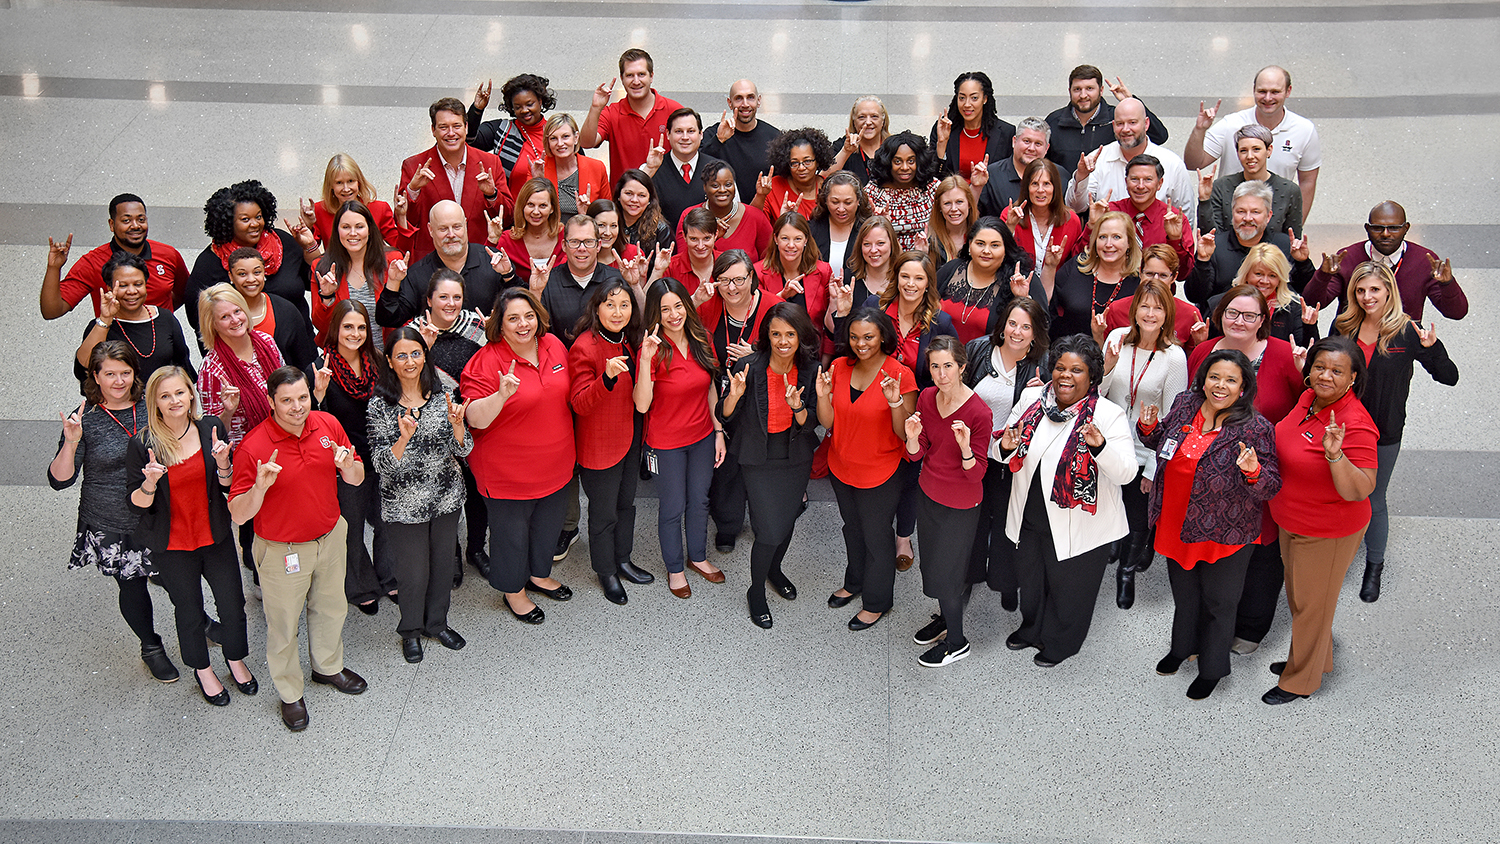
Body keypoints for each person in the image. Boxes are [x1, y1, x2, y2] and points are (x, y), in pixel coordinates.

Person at [228, 366, 369, 732]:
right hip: (282, 550)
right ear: (272, 402)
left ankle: (327, 667)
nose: (296, 407)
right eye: (286, 400)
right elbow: (239, 514)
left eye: (302, 397)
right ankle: (290, 693)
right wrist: (259, 488)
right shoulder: (254, 448)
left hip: (330, 536)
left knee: (331, 607)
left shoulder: (327, 425)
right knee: (283, 625)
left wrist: (348, 466)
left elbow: (357, 477)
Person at [1137, 349, 1281, 700]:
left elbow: (1271, 485)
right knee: (1185, 596)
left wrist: (1253, 472)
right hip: (1176, 522)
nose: (1220, 386)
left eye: (1231, 379)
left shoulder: (1256, 428)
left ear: (1244, 386)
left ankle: (1212, 668)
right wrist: (1148, 428)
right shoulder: (1186, 404)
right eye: (1215, 377)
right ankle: (1182, 647)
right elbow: (1163, 445)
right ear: (1203, 378)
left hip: (1225, 532)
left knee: (1220, 603)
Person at [991, 334, 1135, 667]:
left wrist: (1100, 448)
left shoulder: (1107, 415)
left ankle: (1062, 642)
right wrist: (1006, 446)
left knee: (1071, 591)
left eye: (1077, 370)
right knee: (1031, 579)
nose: (1065, 376)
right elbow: (999, 449)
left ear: (1092, 377)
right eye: (1059, 367)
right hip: (1029, 515)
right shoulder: (1032, 400)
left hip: (1081, 526)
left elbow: (1126, 472)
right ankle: (1031, 629)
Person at [1184, 285, 1307, 656]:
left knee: (1262, 551)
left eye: (1249, 315)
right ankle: (1210, 622)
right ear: (1220, 315)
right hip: (1213, 475)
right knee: (1218, 550)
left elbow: (1305, 404)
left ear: (1263, 322)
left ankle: (1252, 627)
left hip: (1263, 471)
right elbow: (1191, 403)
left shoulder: (1284, 355)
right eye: (1232, 313)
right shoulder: (1206, 351)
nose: (1239, 321)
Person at [1329, 262, 1458, 602]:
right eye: (1360, 290)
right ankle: (1337, 554)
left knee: (1374, 498)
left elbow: (1449, 376)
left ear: (1389, 290)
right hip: (1342, 427)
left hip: (1384, 430)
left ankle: (1374, 566)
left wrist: (1433, 349)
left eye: (1374, 289)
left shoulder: (1408, 331)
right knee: (1336, 490)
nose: (1367, 297)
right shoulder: (1343, 325)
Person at [49, 342, 177, 684]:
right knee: (132, 584)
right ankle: (151, 646)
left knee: (177, 575)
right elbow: (60, 480)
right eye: (109, 374)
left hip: (158, 513)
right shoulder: (85, 420)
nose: (118, 381)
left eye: (125, 372)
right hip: (112, 520)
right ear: (95, 377)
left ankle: (201, 622)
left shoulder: (154, 407)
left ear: (135, 373)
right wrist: (72, 440)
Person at [126, 368, 255, 706]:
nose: (174, 401)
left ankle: (235, 658)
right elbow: (135, 504)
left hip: (215, 536)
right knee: (190, 611)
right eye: (165, 395)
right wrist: (150, 483)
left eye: (179, 393)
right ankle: (202, 670)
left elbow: (227, 485)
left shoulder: (211, 427)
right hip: (173, 545)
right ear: (154, 401)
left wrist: (224, 463)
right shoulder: (143, 445)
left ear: (190, 394)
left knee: (232, 604)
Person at [1263, 337, 1379, 704]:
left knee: (1311, 605)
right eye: (1319, 367)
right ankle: (1317, 658)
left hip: (1328, 529)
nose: (1325, 376)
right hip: (1292, 519)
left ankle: (1301, 681)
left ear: (1353, 377)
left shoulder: (1356, 424)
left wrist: (1335, 456)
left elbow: (1360, 488)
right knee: (1306, 599)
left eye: (1337, 371)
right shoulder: (1308, 399)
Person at [461, 288, 575, 624]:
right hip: (507, 473)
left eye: (528, 316)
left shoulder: (554, 345)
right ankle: (514, 591)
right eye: (513, 318)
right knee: (511, 536)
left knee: (546, 528)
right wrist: (500, 395)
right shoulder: (486, 360)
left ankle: (539, 575)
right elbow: (474, 418)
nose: (523, 324)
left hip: (556, 464)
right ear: (500, 324)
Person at [367, 328, 472, 663]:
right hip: (404, 506)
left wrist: (458, 428)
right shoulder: (379, 406)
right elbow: (381, 465)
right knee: (413, 574)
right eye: (401, 355)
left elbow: (464, 449)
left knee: (442, 567)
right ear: (390, 361)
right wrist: (402, 439)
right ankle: (411, 630)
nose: (409, 361)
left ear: (424, 356)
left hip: (446, 499)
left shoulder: (444, 396)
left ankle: (437, 624)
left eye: (415, 353)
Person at [719, 302, 821, 628]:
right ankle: (756, 592)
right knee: (768, 529)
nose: (782, 340)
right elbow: (726, 414)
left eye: (790, 333)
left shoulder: (810, 369)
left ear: (800, 335)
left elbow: (812, 422)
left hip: (794, 456)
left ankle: (774, 571)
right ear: (766, 334)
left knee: (787, 520)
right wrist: (734, 394)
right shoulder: (749, 365)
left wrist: (798, 408)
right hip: (758, 458)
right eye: (775, 333)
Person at [816, 307, 917, 630]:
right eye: (855, 337)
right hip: (842, 465)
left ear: (883, 338)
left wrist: (894, 402)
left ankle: (877, 601)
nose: (861, 344)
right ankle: (855, 580)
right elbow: (829, 422)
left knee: (876, 537)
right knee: (852, 528)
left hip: (881, 471)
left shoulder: (900, 374)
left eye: (869, 337)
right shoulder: (839, 367)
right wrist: (822, 397)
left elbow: (905, 434)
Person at [1098, 278, 1189, 609]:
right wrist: (1106, 368)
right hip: (1109, 443)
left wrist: (1153, 467)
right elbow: (1097, 395)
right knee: (1109, 503)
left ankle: (1127, 571)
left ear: (1167, 314)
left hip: (1144, 449)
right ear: (1135, 310)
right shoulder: (1116, 339)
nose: (1150, 313)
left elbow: (1173, 418)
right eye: (1144, 306)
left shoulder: (1174, 358)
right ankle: (1111, 543)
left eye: (1158, 307)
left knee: (1137, 517)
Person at [904, 336, 992, 667]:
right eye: (935, 366)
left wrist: (966, 448)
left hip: (960, 504)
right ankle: (946, 618)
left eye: (948, 367)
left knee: (947, 575)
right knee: (933, 567)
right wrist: (912, 439)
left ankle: (957, 642)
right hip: (929, 495)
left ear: (962, 368)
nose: (941, 374)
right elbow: (918, 453)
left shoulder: (978, 413)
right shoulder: (927, 398)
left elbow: (976, 474)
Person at [635, 279, 727, 598]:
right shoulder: (651, 348)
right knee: (673, 506)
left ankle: (698, 557)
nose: (674, 315)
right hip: (665, 443)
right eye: (665, 309)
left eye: (678, 306)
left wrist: (718, 431)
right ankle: (675, 568)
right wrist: (646, 361)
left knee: (699, 501)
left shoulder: (701, 337)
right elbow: (642, 404)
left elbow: (711, 387)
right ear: (655, 314)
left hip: (702, 435)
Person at [569, 279, 655, 604]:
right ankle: (605, 570)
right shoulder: (584, 347)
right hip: (600, 445)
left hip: (629, 439)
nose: (617, 312)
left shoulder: (629, 341)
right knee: (603, 514)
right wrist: (605, 378)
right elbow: (578, 403)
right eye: (610, 304)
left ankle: (623, 559)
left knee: (626, 506)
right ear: (596, 307)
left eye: (624, 305)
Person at [962, 297, 1049, 616]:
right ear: (1002, 325)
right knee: (973, 522)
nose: (1017, 331)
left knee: (1009, 524)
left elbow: (1054, 413)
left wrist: (1041, 397)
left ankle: (1006, 582)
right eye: (1013, 323)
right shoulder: (978, 350)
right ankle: (968, 577)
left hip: (1013, 460)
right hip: (974, 456)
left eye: (1026, 327)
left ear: (1036, 334)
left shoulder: (1042, 362)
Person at [407, 269, 490, 583]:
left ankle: (477, 549)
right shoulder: (413, 333)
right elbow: (404, 379)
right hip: (431, 427)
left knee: (476, 490)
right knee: (443, 495)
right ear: (429, 300)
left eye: (456, 297)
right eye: (443, 296)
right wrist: (423, 349)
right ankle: (450, 553)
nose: (450, 303)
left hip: (472, 422)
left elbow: (492, 364)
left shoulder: (477, 327)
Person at [312, 299, 394, 615]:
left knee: (387, 519)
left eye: (360, 327)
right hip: (346, 464)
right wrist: (319, 397)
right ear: (335, 329)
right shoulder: (321, 369)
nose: (355, 333)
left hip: (380, 455)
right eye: (348, 326)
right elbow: (314, 424)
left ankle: (389, 576)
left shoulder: (376, 362)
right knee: (352, 527)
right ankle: (361, 585)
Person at [699, 250, 779, 552]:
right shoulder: (709, 307)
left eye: (738, 280)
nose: (731, 288)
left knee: (758, 464)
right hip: (719, 396)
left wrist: (757, 358)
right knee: (725, 464)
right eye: (723, 281)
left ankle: (764, 523)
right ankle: (727, 525)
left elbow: (792, 351)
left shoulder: (773, 307)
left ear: (752, 279)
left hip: (760, 400)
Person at [1184, 66, 1321, 220]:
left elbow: (1308, 182)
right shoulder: (1231, 124)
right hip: (1229, 220)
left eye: (1275, 92)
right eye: (1262, 91)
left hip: (1274, 222)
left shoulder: (1304, 130)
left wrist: (1295, 228)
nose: (1268, 98)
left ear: (1288, 91)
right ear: (1254, 90)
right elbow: (1193, 163)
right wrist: (1199, 130)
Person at [1301, 200, 1468, 323]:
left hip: (1400, 347)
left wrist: (1448, 284)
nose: (1386, 234)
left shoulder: (1424, 260)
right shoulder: (1348, 256)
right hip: (1351, 343)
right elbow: (1313, 303)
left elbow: (1456, 313)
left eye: (1394, 228)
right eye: (1377, 228)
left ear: (1406, 228)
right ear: (1367, 228)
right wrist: (1323, 276)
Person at [187, 179, 317, 332]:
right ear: (228, 222)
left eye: (258, 216)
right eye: (245, 219)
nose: (255, 224)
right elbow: (199, 320)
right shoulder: (209, 263)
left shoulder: (283, 243)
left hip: (297, 341)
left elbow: (312, 281)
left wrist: (309, 247)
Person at [41, 193, 189, 320]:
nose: (136, 225)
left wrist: (160, 316)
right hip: (115, 348)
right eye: (126, 220)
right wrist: (53, 268)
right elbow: (51, 311)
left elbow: (184, 294)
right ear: (112, 225)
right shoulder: (92, 263)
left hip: (164, 344)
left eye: (141, 219)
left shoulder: (169, 255)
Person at [399, 97, 511, 260]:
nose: (451, 133)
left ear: (466, 127)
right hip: (432, 260)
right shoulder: (414, 166)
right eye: (443, 127)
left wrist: (491, 194)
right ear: (433, 130)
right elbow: (406, 223)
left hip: (480, 257)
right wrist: (413, 191)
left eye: (456, 126)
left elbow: (507, 216)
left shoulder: (490, 162)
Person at [375, 200, 514, 329]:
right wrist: (393, 282)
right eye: (443, 229)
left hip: (490, 350)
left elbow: (521, 303)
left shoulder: (493, 261)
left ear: (465, 224)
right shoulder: (418, 273)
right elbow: (388, 319)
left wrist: (509, 275)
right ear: (430, 230)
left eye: (456, 227)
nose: (451, 234)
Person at [1065, 98, 1196, 229]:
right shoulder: (1097, 159)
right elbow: (1075, 207)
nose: (1126, 129)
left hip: (1158, 246)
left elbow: (1185, 219)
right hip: (1109, 245)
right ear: (1113, 126)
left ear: (1146, 124)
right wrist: (1082, 176)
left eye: (1132, 123)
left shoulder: (1172, 164)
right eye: (1120, 123)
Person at [73, 252, 196, 390]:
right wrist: (105, 319)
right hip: (118, 406)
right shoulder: (101, 325)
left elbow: (183, 368)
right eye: (123, 286)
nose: (132, 291)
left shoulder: (165, 318)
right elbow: (84, 367)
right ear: (109, 288)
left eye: (138, 284)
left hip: (162, 405)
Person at [1185, 180, 1312, 312]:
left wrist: (1303, 262)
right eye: (1241, 211)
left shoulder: (1284, 246)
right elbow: (1194, 296)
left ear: (1268, 216)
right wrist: (1202, 261)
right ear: (1232, 213)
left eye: (1255, 212)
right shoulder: (1214, 246)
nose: (1247, 218)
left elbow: (1308, 295)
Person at [196, 284, 286, 450]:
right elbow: (215, 434)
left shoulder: (266, 342)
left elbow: (287, 388)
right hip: (247, 453)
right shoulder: (211, 370)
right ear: (212, 324)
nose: (235, 320)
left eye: (237, 311)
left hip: (286, 437)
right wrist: (228, 411)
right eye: (224, 317)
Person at [311, 199, 407, 349]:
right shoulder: (322, 267)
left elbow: (403, 318)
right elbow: (322, 327)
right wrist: (327, 297)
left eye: (359, 226)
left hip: (386, 355)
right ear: (337, 230)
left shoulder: (392, 262)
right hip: (344, 358)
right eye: (346, 227)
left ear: (369, 229)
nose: (353, 233)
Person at [935, 216, 1042, 344]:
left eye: (994, 245)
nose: (986, 251)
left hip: (989, 361)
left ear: (1005, 249)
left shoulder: (1022, 279)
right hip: (941, 359)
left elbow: (1041, 327)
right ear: (970, 245)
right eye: (980, 244)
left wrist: (1023, 299)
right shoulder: (952, 269)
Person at [580, 48, 683, 180]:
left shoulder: (674, 110)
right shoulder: (612, 113)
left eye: (641, 74)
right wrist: (596, 107)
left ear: (651, 76)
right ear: (622, 79)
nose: (636, 81)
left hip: (666, 197)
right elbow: (586, 142)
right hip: (625, 198)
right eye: (629, 75)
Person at [1044, 65, 1170, 172]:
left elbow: (1159, 136)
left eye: (1089, 88)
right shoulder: (1054, 121)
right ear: (1069, 91)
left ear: (1101, 90)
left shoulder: (1117, 119)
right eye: (1077, 89)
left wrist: (1130, 101)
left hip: (1109, 196)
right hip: (1065, 197)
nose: (1083, 95)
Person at [1088, 154, 1194, 280]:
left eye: (1148, 180)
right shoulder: (1108, 212)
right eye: (1134, 179)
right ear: (1126, 182)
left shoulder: (1174, 219)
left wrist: (1175, 240)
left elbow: (1183, 274)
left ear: (1160, 184)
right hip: (1111, 292)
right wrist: (1092, 225)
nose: (1140, 186)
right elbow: (1081, 258)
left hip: (1157, 295)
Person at [1042, 210, 1141, 340]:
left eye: (1116, 237)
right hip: (1066, 353)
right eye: (1102, 237)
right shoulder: (1076, 267)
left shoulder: (1138, 282)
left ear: (1129, 242)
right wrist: (1050, 267)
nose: (1108, 244)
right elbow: (1045, 304)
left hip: (1116, 356)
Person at [1197, 124, 1303, 239]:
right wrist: (1204, 199)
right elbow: (1210, 237)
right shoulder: (1221, 186)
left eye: (1256, 149)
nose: (1250, 156)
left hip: (1272, 255)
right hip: (1227, 255)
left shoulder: (1289, 190)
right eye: (1243, 151)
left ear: (1269, 150)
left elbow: (1292, 241)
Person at [541, 215, 630, 346]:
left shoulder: (616, 279)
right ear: (564, 246)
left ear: (598, 245)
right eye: (574, 242)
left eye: (588, 242)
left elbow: (635, 324)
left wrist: (635, 285)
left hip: (610, 360)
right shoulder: (547, 282)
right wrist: (535, 291)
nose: (581, 248)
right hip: (562, 361)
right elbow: (538, 330)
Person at [225, 248, 317, 372]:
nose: (251, 279)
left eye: (257, 272)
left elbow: (304, 361)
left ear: (264, 273)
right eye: (242, 274)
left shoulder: (287, 311)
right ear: (231, 276)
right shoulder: (222, 314)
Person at [1206, 243, 1316, 345]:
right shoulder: (1220, 303)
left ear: (1280, 280)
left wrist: (1310, 326)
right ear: (1247, 274)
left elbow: (1309, 352)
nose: (1264, 281)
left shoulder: (1293, 308)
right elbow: (1209, 345)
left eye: (1272, 275)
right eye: (1259, 274)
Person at [1102, 244, 1206, 352]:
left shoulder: (1190, 314)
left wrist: (1199, 344)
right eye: (1149, 274)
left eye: (1163, 276)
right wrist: (1098, 333)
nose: (1155, 280)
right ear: (1140, 273)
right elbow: (1105, 354)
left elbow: (1190, 364)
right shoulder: (1116, 309)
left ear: (1174, 277)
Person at [299, 153, 410, 252]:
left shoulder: (379, 208)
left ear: (359, 182)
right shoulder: (319, 210)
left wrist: (401, 216)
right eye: (339, 183)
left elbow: (401, 250)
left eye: (350, 181)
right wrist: (308, 225)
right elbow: (310, 251)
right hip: (335, 272)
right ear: (331, 186)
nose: (346, 188)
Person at [509, 113, 611, 219]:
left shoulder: (597, 167)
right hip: (550, 232)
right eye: (553, 138)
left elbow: (608, 212)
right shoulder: (538, 168)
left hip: (586, 232)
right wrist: (538, 180)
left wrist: (588, 215)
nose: (560, 143)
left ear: (576, 138)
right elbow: (528, 212)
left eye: (565, 137)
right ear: (547, 142)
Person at [865, 131, 953, 253]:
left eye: (911, 161)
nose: (905, 167)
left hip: (929, 258)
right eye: (897, 161)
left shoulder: (933, 188)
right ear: (887, 162)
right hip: (885, 259)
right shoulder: (873, 192)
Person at [701, 79, 782, 203]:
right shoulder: (714, 134)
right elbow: (698, 167)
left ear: (759, 100)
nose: (745, 104)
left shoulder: (775, 137)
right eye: (739, 98)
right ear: (730, 102)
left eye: (750, 97)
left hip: (763, 213)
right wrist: (718, 140)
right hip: (722, 215)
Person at [643, 107, 725, 229]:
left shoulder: (719, 170)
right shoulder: (651, 168)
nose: (685, 137)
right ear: (668, 134)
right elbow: (631, 203)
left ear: (701, 134)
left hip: (707, 245)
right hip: (663, 245)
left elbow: (733, 210)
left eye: (691, 131)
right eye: (679, 131)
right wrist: (649, 170)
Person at [673, 160, 773, 259]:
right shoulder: (689, 216)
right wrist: (712, 237)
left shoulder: (755, 216)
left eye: (728, 184)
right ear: (705, 187)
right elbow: (682, 261)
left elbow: (770, 259)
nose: (722, 190)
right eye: (715, 185)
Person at [755, 211, 832, 337]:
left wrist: (825, 356)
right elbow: (757, 320)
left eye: (797, 239)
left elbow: (829, 321)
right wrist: (781, 296)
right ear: (776, 239)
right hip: (773, 350)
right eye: (785, 238)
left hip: (812, 351)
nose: (791, 245)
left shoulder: (824, 271)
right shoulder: (758, 273)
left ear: (806, 240)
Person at [824, 216, 898, 339]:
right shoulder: (848, 279)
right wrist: (834, 301)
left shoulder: (902, 279)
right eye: (867, 244)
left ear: (892, 244)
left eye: (880, 243)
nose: (873, 250)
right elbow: (833, 333)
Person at [466, 73, 554, 176]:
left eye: (529, 104)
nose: (524, 110)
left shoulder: (556, 130)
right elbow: (469, 141)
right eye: (518, 107)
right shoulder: (502, 130)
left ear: (540, 101)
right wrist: (477, 110)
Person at [1006, 158, 1084, 271]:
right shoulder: (1011, 214)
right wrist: (1010, 227)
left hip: (1057, 286)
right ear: (1026, 187)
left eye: (1046, 184)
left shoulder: (1071, 220)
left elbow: (1078, 260)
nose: (1040, 190)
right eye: (1034, 184)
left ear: (1055, 188)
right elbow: (1001, 257)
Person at [493, 178, 565, 291]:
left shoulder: (566, 236)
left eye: (542, 206)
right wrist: (492, 239)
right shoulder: (508, 239)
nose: (536, 212)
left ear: (552, 209)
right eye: (530, 204)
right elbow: (488, 273)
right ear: (522, 207)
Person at [754, 127, 837, 221]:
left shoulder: (830, 188)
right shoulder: (773, 187)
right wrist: (760, 196)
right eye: (794, 163)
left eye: (807, 161)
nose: (801, 168)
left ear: (817, 161)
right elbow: (752, 221)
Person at [977, 116, 1050, 215]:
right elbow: (972, 216)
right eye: (1026, 141)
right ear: (1014, 141)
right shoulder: (991, 175)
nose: (1031, 148)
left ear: (1046, 148)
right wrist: (975, 187)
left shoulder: (1057, 176)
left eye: (1038, 143)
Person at [810, 171, 872, 285]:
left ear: (858, 201)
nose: (841, 209)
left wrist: (887, 230)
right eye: (835, 202)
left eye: (848, 203)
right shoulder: (812, 229)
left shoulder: (869, 230)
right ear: (826, 201)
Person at [614, 168, 674, 260]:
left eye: (641, 195)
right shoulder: (608, 223)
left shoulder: (661, 230)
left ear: (649, 199)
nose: (634, 200)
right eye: (629, 193)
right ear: (619, 195)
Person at [830, 96, 891, 184]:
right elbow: (823, 179)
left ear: (883, 121)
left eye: (874, 116)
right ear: (854, 121)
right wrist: (846, 152)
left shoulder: (895, 146)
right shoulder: (841, 146)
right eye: (862, 117)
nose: (868, 122)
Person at [925, 175, 977, 267]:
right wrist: (922, 254)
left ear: (969, 204)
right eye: (947, 203)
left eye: (959, 202)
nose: (953, 208)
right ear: (939, 207)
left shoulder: (982, 236)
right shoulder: (930, 242)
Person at [665, 207, 720, 295]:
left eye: (706, 238)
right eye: (694, 239)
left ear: (716, 235)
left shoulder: (727, 263)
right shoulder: (670, 267)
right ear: (684, 236)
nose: (701, 246)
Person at [586, 199, 645, 275]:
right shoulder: (579, 255)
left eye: (613, 226)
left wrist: (656, 272)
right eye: (601, 225)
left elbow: (642, 286)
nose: (607, 233)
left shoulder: (633, 253)